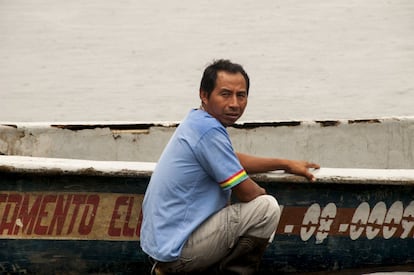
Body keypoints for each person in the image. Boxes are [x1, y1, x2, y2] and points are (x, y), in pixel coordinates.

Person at [140, 59, 319, 274]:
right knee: (266, 209)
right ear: (204, 95)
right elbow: (248, 194)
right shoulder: (208, 130)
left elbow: (231, 159)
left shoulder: (197, 120)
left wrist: (285, 164)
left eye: (241, 95)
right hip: (178, 252)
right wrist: (258, 201)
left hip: (164, 246)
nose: (234, 104)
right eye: (225, 94)